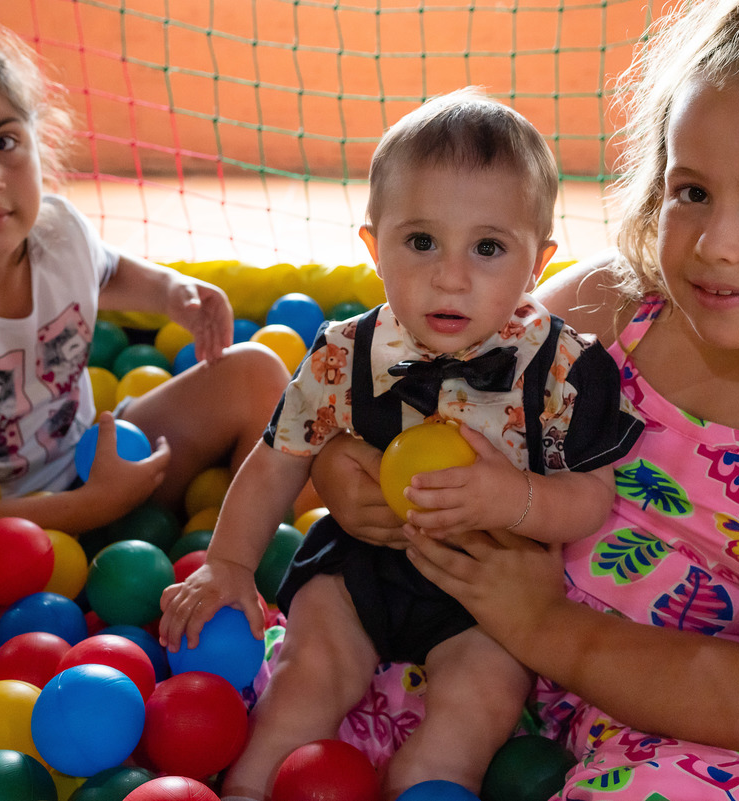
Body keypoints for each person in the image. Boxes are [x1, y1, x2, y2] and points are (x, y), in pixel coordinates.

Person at [309, 1, 739, 797]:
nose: (714, 244)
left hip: (697, 732)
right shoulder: (608, 307)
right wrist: (347, 470)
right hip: (473, 654)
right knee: (310, 689)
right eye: (690, 190)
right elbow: (410, 398)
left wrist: (549, 626)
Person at [157, 87, 643, 798]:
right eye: (421, 242)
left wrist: (515, 498)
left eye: (488, 247)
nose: (451, 276)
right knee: (304, 684)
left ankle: (428, 780)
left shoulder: (565, 366)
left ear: (537, 263)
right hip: (360, 568)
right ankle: (250, 787)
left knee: (473, 709)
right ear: (373, 248)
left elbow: (592, 498)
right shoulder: (342, 353)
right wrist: (229, 563)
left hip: (489, 587)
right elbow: (278, 458)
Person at [0, 22, 292, 626]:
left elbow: (107, 271)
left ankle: (270, 565)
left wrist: (173, 293)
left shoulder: (57, 231)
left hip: (94, 461)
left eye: (2, 141)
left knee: (254, 374)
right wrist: (90, 508)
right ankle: (99, 605)